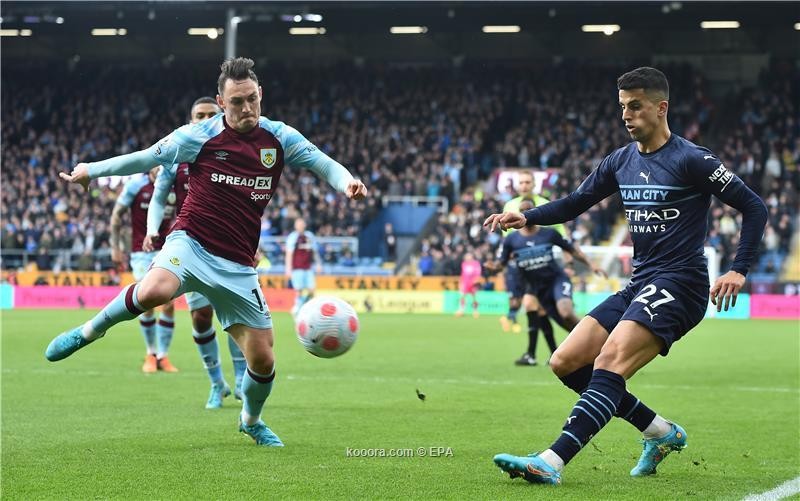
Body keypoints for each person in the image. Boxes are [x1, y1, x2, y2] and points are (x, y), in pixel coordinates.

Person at [46, 57, 368, 447]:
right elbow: (146, 157)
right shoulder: (197, 135)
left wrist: (347, 181)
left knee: (263, 361)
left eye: (251, 99)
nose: (246, 108)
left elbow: (322, 163)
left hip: (238, 265)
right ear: (221, 101)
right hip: (191, 242)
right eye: (236, 102)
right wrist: (91, 170)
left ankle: (250, 420)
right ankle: (87, 332)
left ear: (261, 94)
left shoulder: (280, 138)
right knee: (153, 291)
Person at [484, 67, 767, 484]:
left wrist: (739, 269)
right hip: (641, 282)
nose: (626, 115)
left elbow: (755, 206)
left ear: (660, 108)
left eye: (635, 106)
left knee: (610, 361)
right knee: (565, 361)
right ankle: (660, 432)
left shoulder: (693, 159)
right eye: (622, 107)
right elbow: (574, 202)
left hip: (682, 284)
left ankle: (551, 460)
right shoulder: (621, 161)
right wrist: (525, 215)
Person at [143, 96, 247, 408]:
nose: (204, 120)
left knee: (234, 316)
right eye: (198, 115)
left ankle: (241, 380)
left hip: (230, 244)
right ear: (190, 119)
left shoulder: (236, 152)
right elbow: (159, 197)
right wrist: (152, 229)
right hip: (192, 245)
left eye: (210, 115)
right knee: (201, 317)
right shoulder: (176, 158)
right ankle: (217, 384)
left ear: (222, 115)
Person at [487, 199, 605, 366]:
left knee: (566, 312)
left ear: (533, 212)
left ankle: (597, 342)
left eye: (529, 209)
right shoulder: (511, 240)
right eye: (522, 209)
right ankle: (593, 346)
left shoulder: (548, 234)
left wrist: (592, 265)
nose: (525, 212)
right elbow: (501, 264)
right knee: (564, 322)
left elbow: (571, 250)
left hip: (556, 279)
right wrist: (493, 268)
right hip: (537, 288)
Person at [111, 167, 179, 373]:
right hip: (141, 252)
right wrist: (116, 247)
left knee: (168, 304)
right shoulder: (135, 185)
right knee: (146, 303)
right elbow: (116, 216)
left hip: (167, 250)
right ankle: (150, 353)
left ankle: (163, 356)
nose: (160, 168)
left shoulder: (173, 183)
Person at [500, 171, 567, 335]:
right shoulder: (510, 206)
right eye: (521, 182)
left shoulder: (545, 204)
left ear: (534, 184)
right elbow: (508, 240)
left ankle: (568, 344)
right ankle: (536, 352)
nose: (524, 186)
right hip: (523, 265)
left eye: (527, 182)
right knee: (531, 305)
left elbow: (561, 233)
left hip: (545, 265)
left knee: (543, 308)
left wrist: (567, 261)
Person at [285, 217, 322, 316]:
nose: (300, 226)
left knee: (312, 290)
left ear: (305, 225)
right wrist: (288, 269)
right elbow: (289, 254)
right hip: (297, 268)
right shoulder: (293, 237)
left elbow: (314, 251)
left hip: (308, 268)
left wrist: (318, 264)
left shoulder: (309, 236)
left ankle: (305, 306)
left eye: (302, 224)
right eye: (298, 224)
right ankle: (298, 307)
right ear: (295, 226)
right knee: (299, 290)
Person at [455, 252, 482, 318]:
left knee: (474, 297)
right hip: (465, 282)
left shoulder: (476, 263)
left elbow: (478, 272)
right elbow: (463, 274)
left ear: (471, 257)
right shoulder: (464, 264)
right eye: (466, 257)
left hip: (473, 283)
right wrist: (461, 282)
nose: (466, 258)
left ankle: (475, 311)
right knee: (462, 296)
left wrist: (476, 280)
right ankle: (461, 310)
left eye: (468, 257)